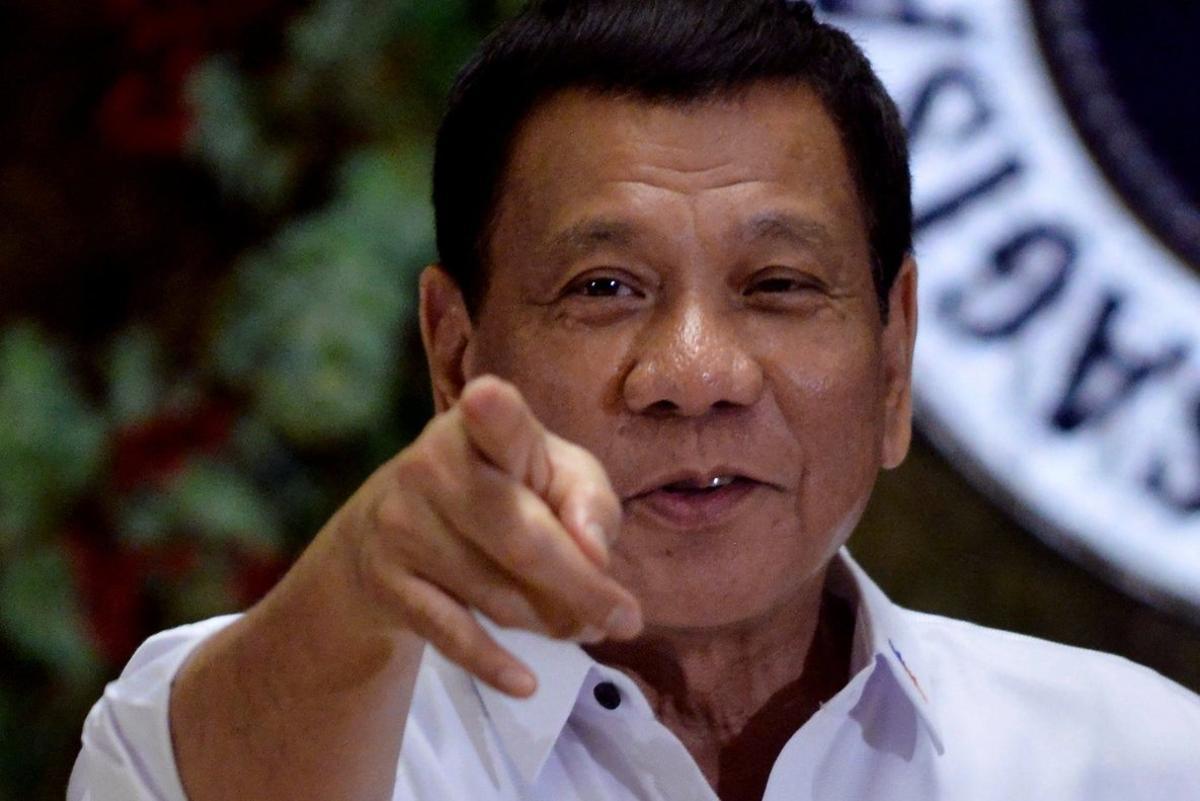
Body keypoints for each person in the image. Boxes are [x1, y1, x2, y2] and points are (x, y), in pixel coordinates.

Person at [69, 1, 1200, 799]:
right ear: (457, 358)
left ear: (895, 360)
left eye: (779, 286)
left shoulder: (1138, 760)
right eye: (605, 288)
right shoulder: (256, 725)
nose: (695, 375)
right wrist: (368, 568)